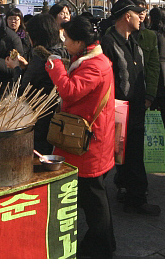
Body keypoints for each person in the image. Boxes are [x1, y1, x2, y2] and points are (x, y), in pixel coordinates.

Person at [45, 16, 116, 259]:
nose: (65, 43)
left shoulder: (96, 65)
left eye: (67, 39)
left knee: (94, 198)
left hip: (89, 142)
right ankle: (104, 243)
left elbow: (70, 91)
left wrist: (55, 67)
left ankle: (100, 247)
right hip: (89, 137)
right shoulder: (90, 59)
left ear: (80, 42)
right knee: (94, 196)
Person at [101, 0, 160, 216]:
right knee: (120, 155)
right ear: (127, 17)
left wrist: (147, 97)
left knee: (132, 154)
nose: (141, 17)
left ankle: (133, 195)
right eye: (137, 14)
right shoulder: (108, 43)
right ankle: (130, 196)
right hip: (117, 111)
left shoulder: (134, 41)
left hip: (136, 109)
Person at [20, 13, 65, 155]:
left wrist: (16, 69)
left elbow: (23, 89)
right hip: (61, 114)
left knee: (41, 154)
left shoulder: (40, 58)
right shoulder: (64, 51)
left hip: (41, 115)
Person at [148, 7, 165, 131]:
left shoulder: (152, 34)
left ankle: (154, 132)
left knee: (153, 102)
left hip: (155, 68)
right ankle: (164, 131)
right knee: (163, 103)